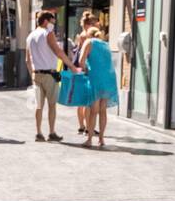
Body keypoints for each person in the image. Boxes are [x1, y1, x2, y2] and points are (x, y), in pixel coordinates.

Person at [26, 10, 80, 142]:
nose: (53, 25)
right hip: (50, 75)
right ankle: (51, 132)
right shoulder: (47, 33)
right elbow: (58, 51)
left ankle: (38, 133)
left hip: (36, 75)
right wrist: (72, 66)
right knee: (51, 105)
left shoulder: (30, 36)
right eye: (52, 22)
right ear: (45, 21)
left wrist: (32, 75)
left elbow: (27, 60)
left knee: (38, 106)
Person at [77, 26, 119, 148]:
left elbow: (81, 60)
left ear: (89, 35)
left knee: (93, 111)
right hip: (108, 79)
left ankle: (89, 139)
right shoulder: (105, 44)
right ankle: (101, 139)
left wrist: (85, 70)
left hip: (95, 77)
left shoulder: (88, 42)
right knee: (103, 110)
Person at [73, 12, 98, 135]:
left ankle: (82, 126)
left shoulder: (81, 35)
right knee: (87, 101)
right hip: (85, 69)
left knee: (81, 101)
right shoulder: (86, 37)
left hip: (79, 69)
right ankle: (89, 127)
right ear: (88, 24)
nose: (96, 26)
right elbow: (85, 55)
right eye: (94, 23)